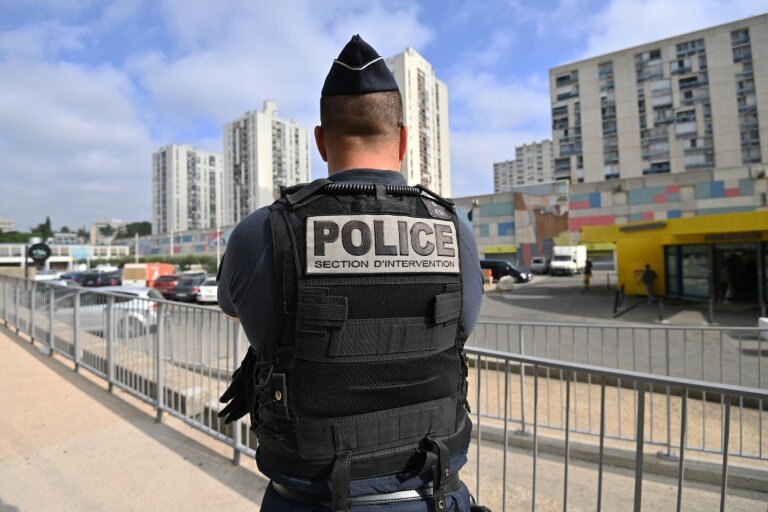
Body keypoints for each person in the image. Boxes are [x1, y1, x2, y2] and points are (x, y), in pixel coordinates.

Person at [216, 35, 485, 512]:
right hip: (432, 495)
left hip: (307, 500)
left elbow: (239, 312)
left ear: (321, 141)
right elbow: (457, 330)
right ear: (403, 139)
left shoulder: (262, 232)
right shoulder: (455, 229)